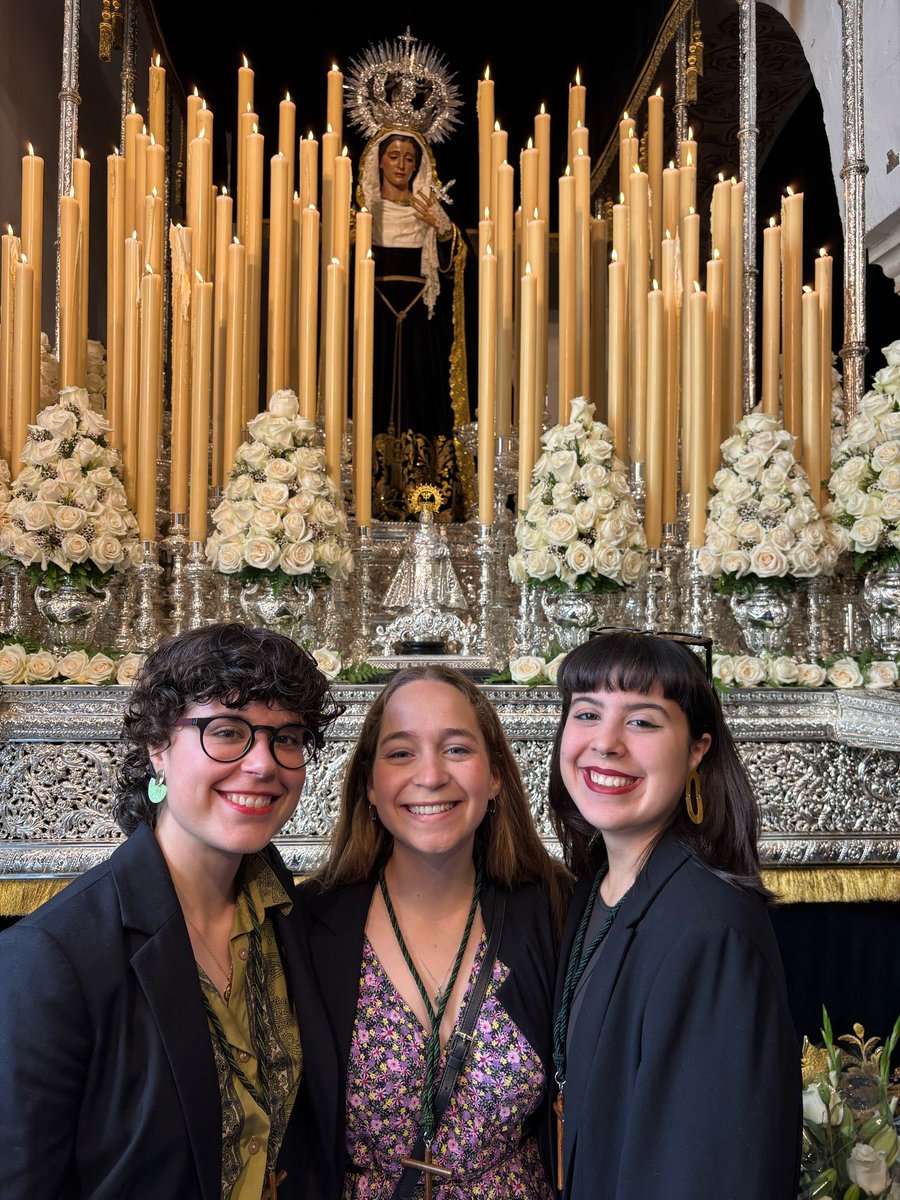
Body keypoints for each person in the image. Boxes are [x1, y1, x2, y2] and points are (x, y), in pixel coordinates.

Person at [0, 623, 344, 1200]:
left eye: (287, 738)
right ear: (158, 745)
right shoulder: (51, 956)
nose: (264, 764)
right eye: (227, 732)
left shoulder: (290, 912)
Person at [297, 665, 569, 1198]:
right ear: (370, 787)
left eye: (457, 749)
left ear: (494, 777)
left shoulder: (555, 911)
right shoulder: (304, 923)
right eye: (401, 753)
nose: (430, 775)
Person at [549, 630, 801, 1200]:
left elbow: (709, 1175)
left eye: (642, 721)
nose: (606, 743)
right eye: (587, 713)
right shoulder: (596, 887)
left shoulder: (711, 933)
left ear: (697, 749)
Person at [357, 129, 473, 522]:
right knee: (371, 397)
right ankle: (369, 499)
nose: (402, 166)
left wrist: (442, 230)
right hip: (375, 325)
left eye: (410, 158)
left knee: (423, 400)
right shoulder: (364, 214)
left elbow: (457, 271)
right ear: (378, 160)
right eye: (394, 156)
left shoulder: (430, 211)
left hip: (421, 327)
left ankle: (426, 502)